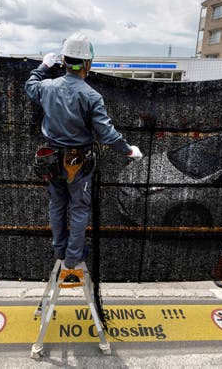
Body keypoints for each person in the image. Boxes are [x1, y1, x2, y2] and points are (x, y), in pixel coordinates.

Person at [25, 32, 142, 270]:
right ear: (87, 64)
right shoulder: (91, 96)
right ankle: (72, 257)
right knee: (79, 209)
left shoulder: (47, 87)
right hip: (77, 162)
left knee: (57, 205)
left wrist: (43, 66)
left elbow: (30, 85)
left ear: (64, 61)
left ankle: (60, 250)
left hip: (51, 160)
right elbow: (107, 133)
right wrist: (128, 151)